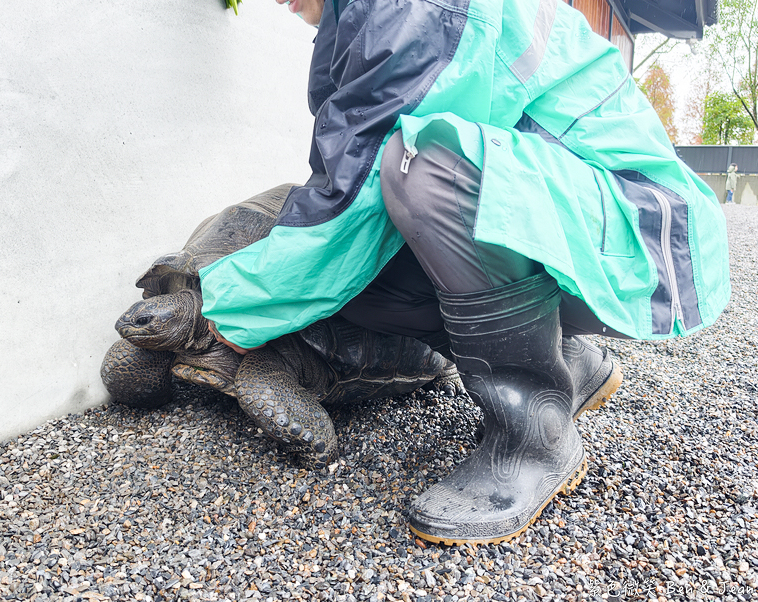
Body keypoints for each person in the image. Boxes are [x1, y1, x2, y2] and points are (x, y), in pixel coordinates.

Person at [201, 0, 731, 544]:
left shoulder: (411, 8)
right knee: (351, 281)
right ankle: (567, 360)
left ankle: (535, 437)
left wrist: (237, 307)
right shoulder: (352, 22)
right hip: (564, 222)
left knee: (424, 163)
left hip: (643, 229)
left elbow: (356, 190)